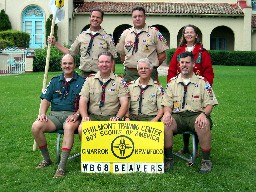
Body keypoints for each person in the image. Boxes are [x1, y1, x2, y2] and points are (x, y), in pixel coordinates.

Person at [162, 51, 218, 173]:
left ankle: (206, 161)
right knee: (165, 124)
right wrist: (167, 113)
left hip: (196, 115)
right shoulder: (172, 83)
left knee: (203, 124)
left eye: (187, 62)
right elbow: (167, 104)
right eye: (182, 62)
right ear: (179, 64)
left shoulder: (203, 82)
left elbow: (210, 104)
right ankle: (168, 158)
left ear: (193, 64)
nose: (184, 65)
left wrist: (204, 115)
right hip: (178, 116)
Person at [31, 54, 85, 177]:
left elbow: (85, 102)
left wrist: (77, 115)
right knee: (36, 126)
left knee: (68, 127)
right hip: (55, 116)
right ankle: (47, 159)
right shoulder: (55, 81)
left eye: (70, 63)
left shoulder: (83, 82)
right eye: (65, 63)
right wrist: (42, 114)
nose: (67, 66)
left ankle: (61, 166)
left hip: (73, 116)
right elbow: (45, 99)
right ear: (61, 65)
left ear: (74, 65)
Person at [167, 24, 214, 155]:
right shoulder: (178, 51)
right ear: (183, 35)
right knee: (181, 112)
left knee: (197, 115)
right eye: (186, 32)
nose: (188, 34)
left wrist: (203, 87)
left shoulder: (202, 52)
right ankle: (186, 146)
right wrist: (173, 86)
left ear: (196, 35)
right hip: (180, 88)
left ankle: (197, 147)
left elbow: (208, 72)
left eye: (191, 32)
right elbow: (171, 70)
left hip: (196, 89)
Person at [48, 8, 117, 77]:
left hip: (101, 75)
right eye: (93, 16)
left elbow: (112, 59)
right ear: (89, 18)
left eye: (98, 17)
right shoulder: (81, 36)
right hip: (84, 75)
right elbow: (70, 52)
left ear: (101, 20)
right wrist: (55, 43)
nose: (95, 19)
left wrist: (111, 77)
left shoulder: (107, 38)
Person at [78, 51, 129, 131]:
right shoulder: (89, 80)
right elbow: (83, 100)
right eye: (101, 62)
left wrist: (117, 117)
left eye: (107, 62)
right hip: (93, 117)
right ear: (98, 63)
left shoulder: (120, 81)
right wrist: (85, 116)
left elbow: (124, 102)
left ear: (112, 63)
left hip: (111, 118)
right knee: (82, 129)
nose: (104, 65)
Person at [116, 6, 169, 82]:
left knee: (149, 93)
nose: (137, 18)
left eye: (140, 16)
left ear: (145, 17)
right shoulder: (126, 33)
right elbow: (122, 55)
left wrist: (150, 67)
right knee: (128, 93)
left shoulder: (154, 32)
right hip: (130, 74)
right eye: (135, 17)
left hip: (149, 74)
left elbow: (162, 55)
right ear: (132, 18)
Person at [124, 58, 164, 122]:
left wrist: (155, 120)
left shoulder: (157, 88)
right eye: (141, 68)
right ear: (138, 71)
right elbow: (125, 106)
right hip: (133, 119)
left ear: (151, 70)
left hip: (151, 119)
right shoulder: (130, 87)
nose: (143, 70)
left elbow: (161, 109)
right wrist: (126, 118)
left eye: (146, 68)